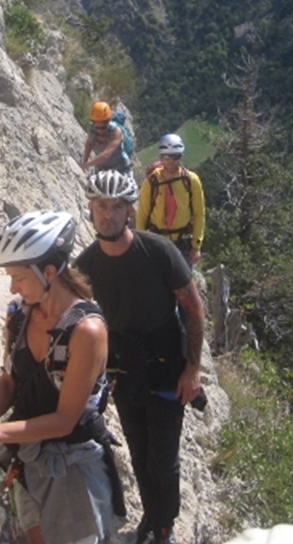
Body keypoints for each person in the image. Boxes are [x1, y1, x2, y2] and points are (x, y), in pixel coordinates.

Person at [0, 210, 123, 544]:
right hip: (29, 458)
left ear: (49, 272)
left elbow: (65, 420)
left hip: (73, 466)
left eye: (19, 277)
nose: (13, 287)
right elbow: (10, 382)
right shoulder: (19, 316)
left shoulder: (87, 330)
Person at [75, 170, 206, 544]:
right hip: (126, 370)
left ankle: (163, 527)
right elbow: (71, 312)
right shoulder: (87, 266)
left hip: (168, 367)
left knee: (163, 459)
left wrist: (192, 368)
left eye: (117, 206)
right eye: (102, 205)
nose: (109, 214)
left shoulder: (158, 251)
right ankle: (152, 516)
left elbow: (193, 309)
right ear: (91, 208)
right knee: (139, 452)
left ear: (130, 210)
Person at [135, 134, 206, 266]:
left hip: (182, 241)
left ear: (181, 156)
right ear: (160, 157)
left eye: (176, 156)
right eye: (166, 156)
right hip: (156, 239)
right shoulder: (151, 182)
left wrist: (196, 246)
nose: (171, 161)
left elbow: (199, 214)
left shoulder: (191, 180)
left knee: (182, 284)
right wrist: (141, 242)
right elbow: (142, 215)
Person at [81, 101, 132, 175]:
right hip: (103, 169)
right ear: (94, 122)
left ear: (108, 122)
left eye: (103, 127)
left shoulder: (116, 132)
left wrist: (87, 164)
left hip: (122, 170)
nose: (100, 130)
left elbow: (106, 154)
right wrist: (85, 160)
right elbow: (89, 144)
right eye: (97, 127)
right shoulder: (92, 130)